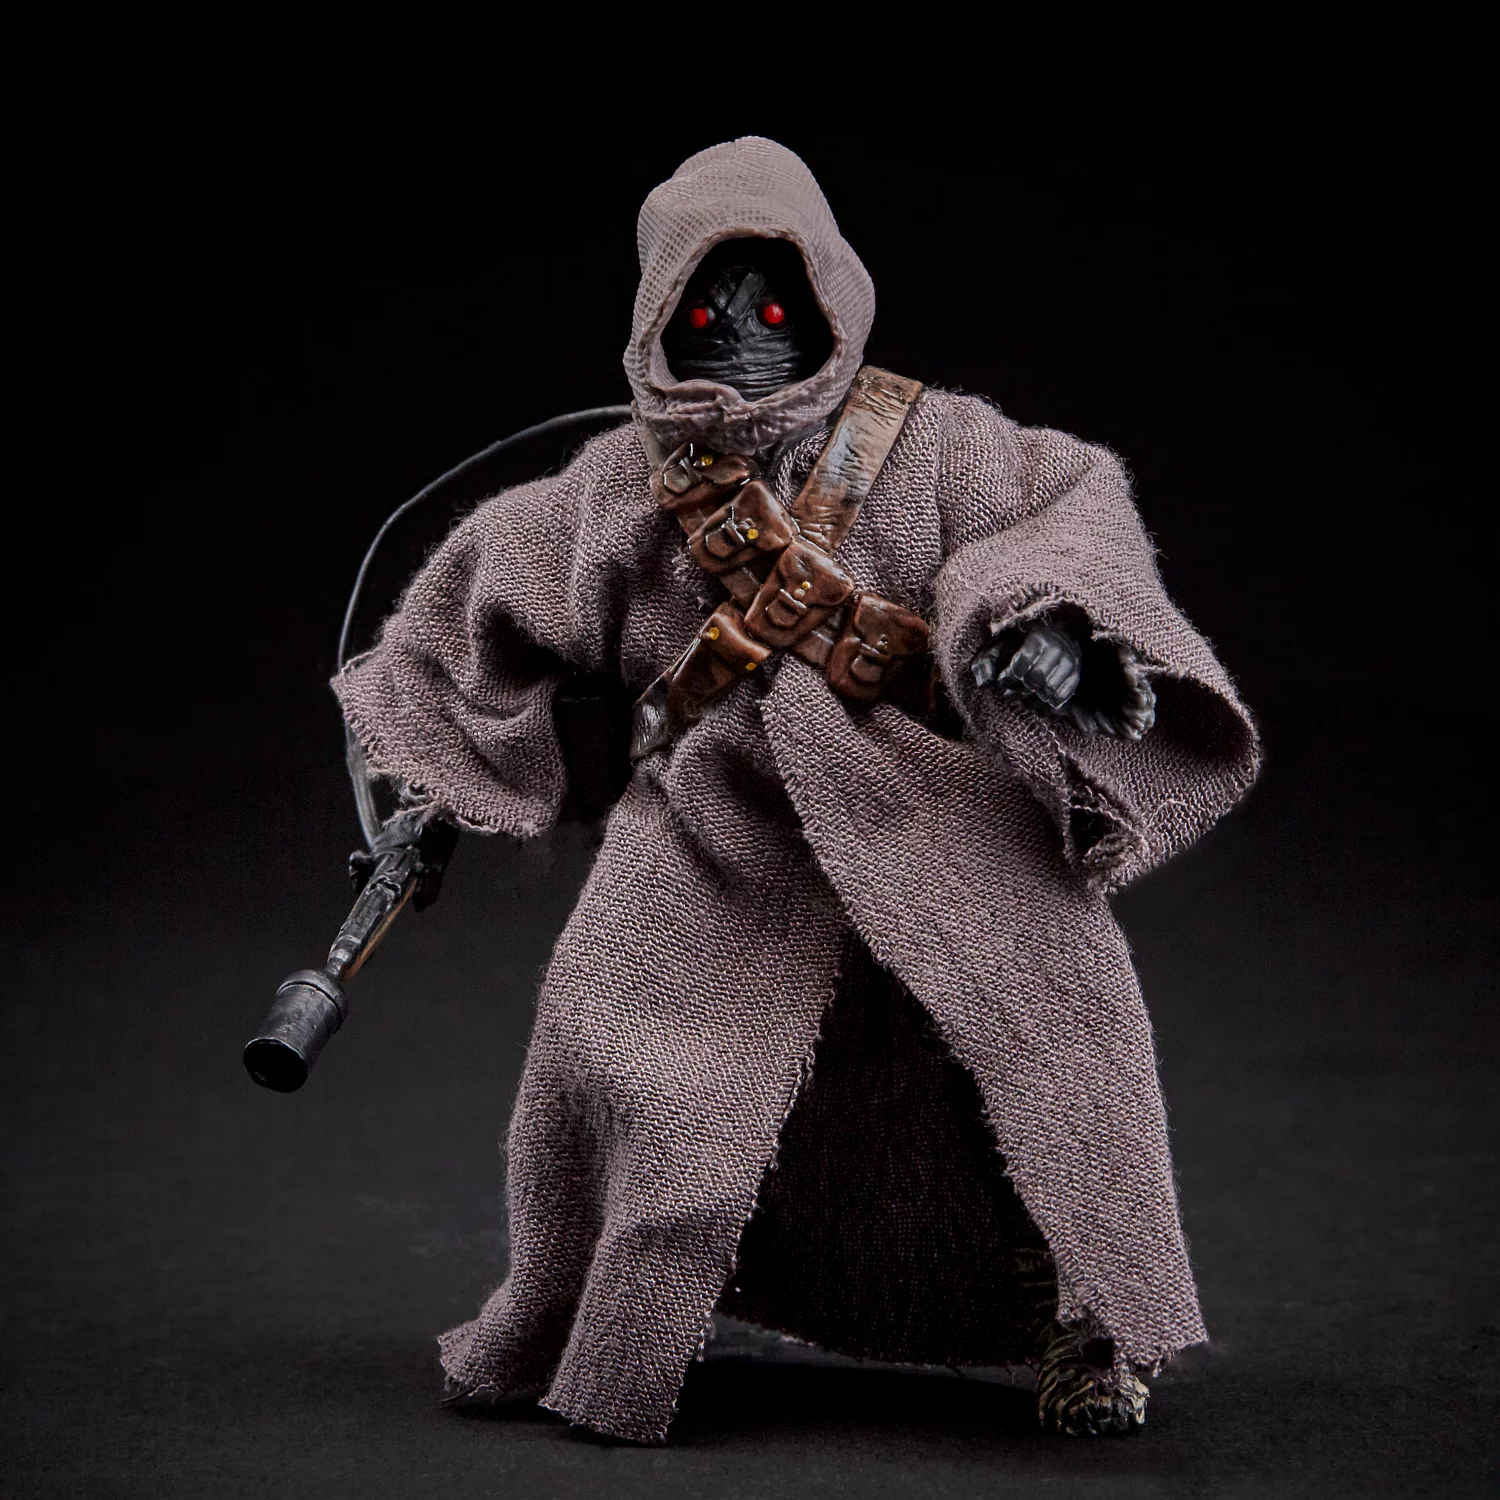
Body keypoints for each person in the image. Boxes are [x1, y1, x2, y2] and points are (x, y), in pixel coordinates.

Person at [334, 136, 1259, 1444]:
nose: (742, 338)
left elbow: (1062, 505)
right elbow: (484, 601)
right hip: (707, 839)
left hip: (938, 822)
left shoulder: (939, 445)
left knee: (1053, 1059)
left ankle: (1095, 1330)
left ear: (830, 297)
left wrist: (1045, 626)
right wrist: (432, 778)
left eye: (775, 311)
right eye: (707, 312)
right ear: (659, 321)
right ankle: (615, 1322)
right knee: (623, 1050)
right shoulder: (618, 489)